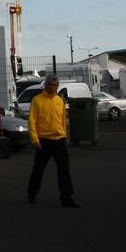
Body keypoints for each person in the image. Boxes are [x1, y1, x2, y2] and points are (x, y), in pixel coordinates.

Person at [27, 74, 79, 207]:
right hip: (43, 141)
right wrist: (35, 139)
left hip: (59, 140)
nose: (52, 87)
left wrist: (65, 136)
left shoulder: (60, 101)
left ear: (57, 86)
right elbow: (32, 121)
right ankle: (32, 194)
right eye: (50, 84)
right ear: (45, 85)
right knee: (38, 169)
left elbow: (62, 120)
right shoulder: (37, 100)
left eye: (54, 85)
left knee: (64, 170)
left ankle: (67, 198)